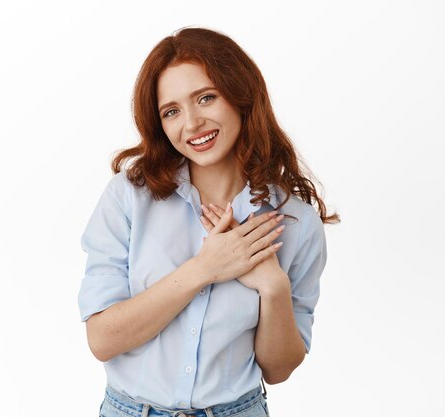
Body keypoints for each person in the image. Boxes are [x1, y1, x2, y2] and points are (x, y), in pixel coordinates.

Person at [77, 27, 340, 417]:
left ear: (241, 96)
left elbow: (280, 368)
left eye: (206, 98)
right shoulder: (130, 196)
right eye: (172, 111)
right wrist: (205, 268)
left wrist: (273, 286)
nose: (192, 123)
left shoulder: (295, 222)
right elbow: (102, 339)